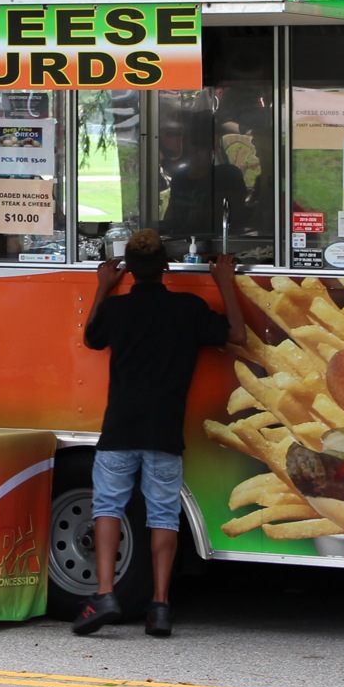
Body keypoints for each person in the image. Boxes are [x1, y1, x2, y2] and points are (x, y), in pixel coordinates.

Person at [75, 228, 243, 637]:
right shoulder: (188, 308)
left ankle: (104, 594)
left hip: (120, 428)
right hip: (165, 429)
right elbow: (235, 335)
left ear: (128, 270)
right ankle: (161, 606)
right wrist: (225, 283)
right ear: (166, 267)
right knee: (163, 513)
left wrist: (102, 287)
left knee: (108, 508)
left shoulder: (116, 312)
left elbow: (91, 337)